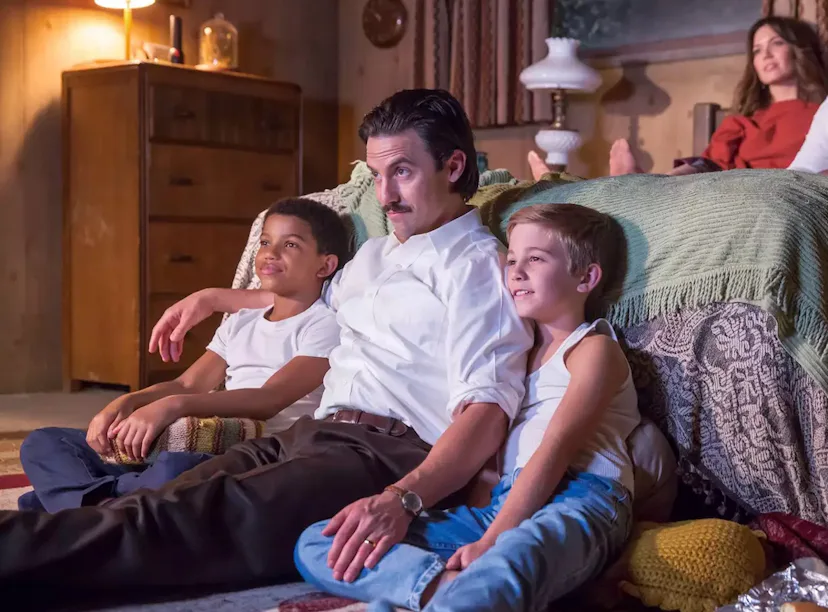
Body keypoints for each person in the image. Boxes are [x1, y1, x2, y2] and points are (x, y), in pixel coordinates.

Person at [0, 89, 532, 604]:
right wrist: (212, 298)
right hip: (312, 433)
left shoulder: (477, 267)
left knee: (180, 523)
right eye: (376, 176)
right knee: (152, 501)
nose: (386, 195)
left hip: (384, 457)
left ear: (454, 166)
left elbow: (485, 411)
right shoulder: (378, 255)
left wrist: (404, 498)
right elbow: (303, 293)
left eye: (403, 172)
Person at [294, 203, 638, 612]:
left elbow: (555, 450)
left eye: (536, 259)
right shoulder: (515, 357)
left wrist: (493, 541)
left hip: (580, 499)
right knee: (323, 540)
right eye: (512, 259)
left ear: (586, 277)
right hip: (504, 504)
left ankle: (468, 591)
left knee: (509, 562)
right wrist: (484, 529)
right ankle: (442, 590)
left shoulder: (594, 349)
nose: (516, 272)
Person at [17, 198, 347, 513]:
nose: (270, 253)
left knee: (177, 467)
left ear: (325, 265)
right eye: (264, 242)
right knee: (46, 443)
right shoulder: (241, 322)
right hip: (194, 438)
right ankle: (110, 508)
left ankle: (76, 503)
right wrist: (128, 403)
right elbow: (189, 384)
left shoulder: (325, 325)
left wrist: (171, 406)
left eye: (290, 245)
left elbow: (268, 399)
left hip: (247, 452)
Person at [528, 16, 828, 180]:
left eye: (776, 44)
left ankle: (631, 187)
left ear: (799, 50)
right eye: (758, 49)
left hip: (782, 190)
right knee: (696, 171)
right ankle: (642, 184)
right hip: (725, 186)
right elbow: (710, 163)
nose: (766, 55)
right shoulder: (742, 124)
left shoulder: (821, 116)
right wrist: (668, 180)